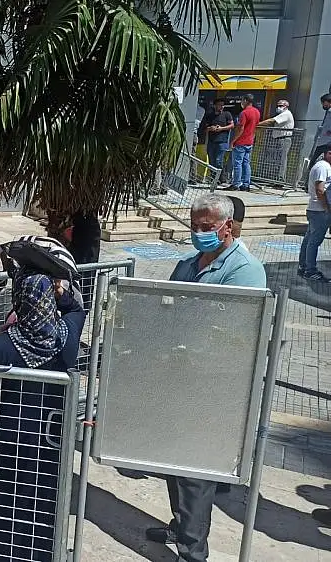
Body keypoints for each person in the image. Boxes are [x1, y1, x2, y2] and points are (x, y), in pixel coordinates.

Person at [145, 193, 266, 562]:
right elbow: (165, 309)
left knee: (195, 471)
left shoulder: (245, 270)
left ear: (227, 226)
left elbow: (232, 331)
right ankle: (181, 525)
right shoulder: (188, 263)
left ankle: (193, 550)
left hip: (211, 384)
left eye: (206, 227)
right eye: (194, 226)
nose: (198, 232)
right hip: (176, 378)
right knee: (171, 460)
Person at [0, 268, 86, 561]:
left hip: (6, 438)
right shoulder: (66, 339)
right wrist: (62, 295)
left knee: (0, 499)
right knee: (41, 498)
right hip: (49, 436)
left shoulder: (3, 345)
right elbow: (76, 310)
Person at [298, 147, 331, 281]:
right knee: (314, 241)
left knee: (309, 239)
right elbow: (320, 190)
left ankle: (303, 266)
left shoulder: (323, 166)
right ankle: (310, 270)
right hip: (319, 211)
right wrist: (326, 208)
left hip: (317, 210)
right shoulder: (323, 167)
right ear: (327, 153)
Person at [258, 99, 295, 183]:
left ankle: (280, 179)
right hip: (279, 139)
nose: (278, 107)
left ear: (286, 107)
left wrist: (257, 124)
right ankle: (276, 178)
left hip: (284, 139)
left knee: (282, 160)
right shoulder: (282, 114)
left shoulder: (286, 114)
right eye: (278, 105)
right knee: (277, 159)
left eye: (281, 106)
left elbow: (272, 120)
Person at [230, 94, 261, 192]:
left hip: (241, 142)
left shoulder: (244, 113)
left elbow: (241, 128)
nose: (241, 102)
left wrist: (233, 141)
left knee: (237, 164)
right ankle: (246, 184)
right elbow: (256, 126)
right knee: (246, 163)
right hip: (249, 141)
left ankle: (236, 184)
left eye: (242, 100)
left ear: (245, 100)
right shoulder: (257, 112)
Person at [198, 98, 234, 179]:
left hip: (222, 141)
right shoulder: (210, 115)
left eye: (223, 105)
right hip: (211, 141)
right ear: (215, 106)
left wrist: (221, 128)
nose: (222, 107)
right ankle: (213, 178)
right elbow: (204, 128)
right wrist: (210, 128)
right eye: (220, 105)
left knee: (219, 161)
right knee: (212, 161)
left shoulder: (227, 114)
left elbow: (232, 125)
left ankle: (220, 178)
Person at [312, 93, 331, 164]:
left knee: (314, 162)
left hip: (327, 143)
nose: (322, 104)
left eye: (323, 102)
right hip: (323, 142)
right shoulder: (328, 112)